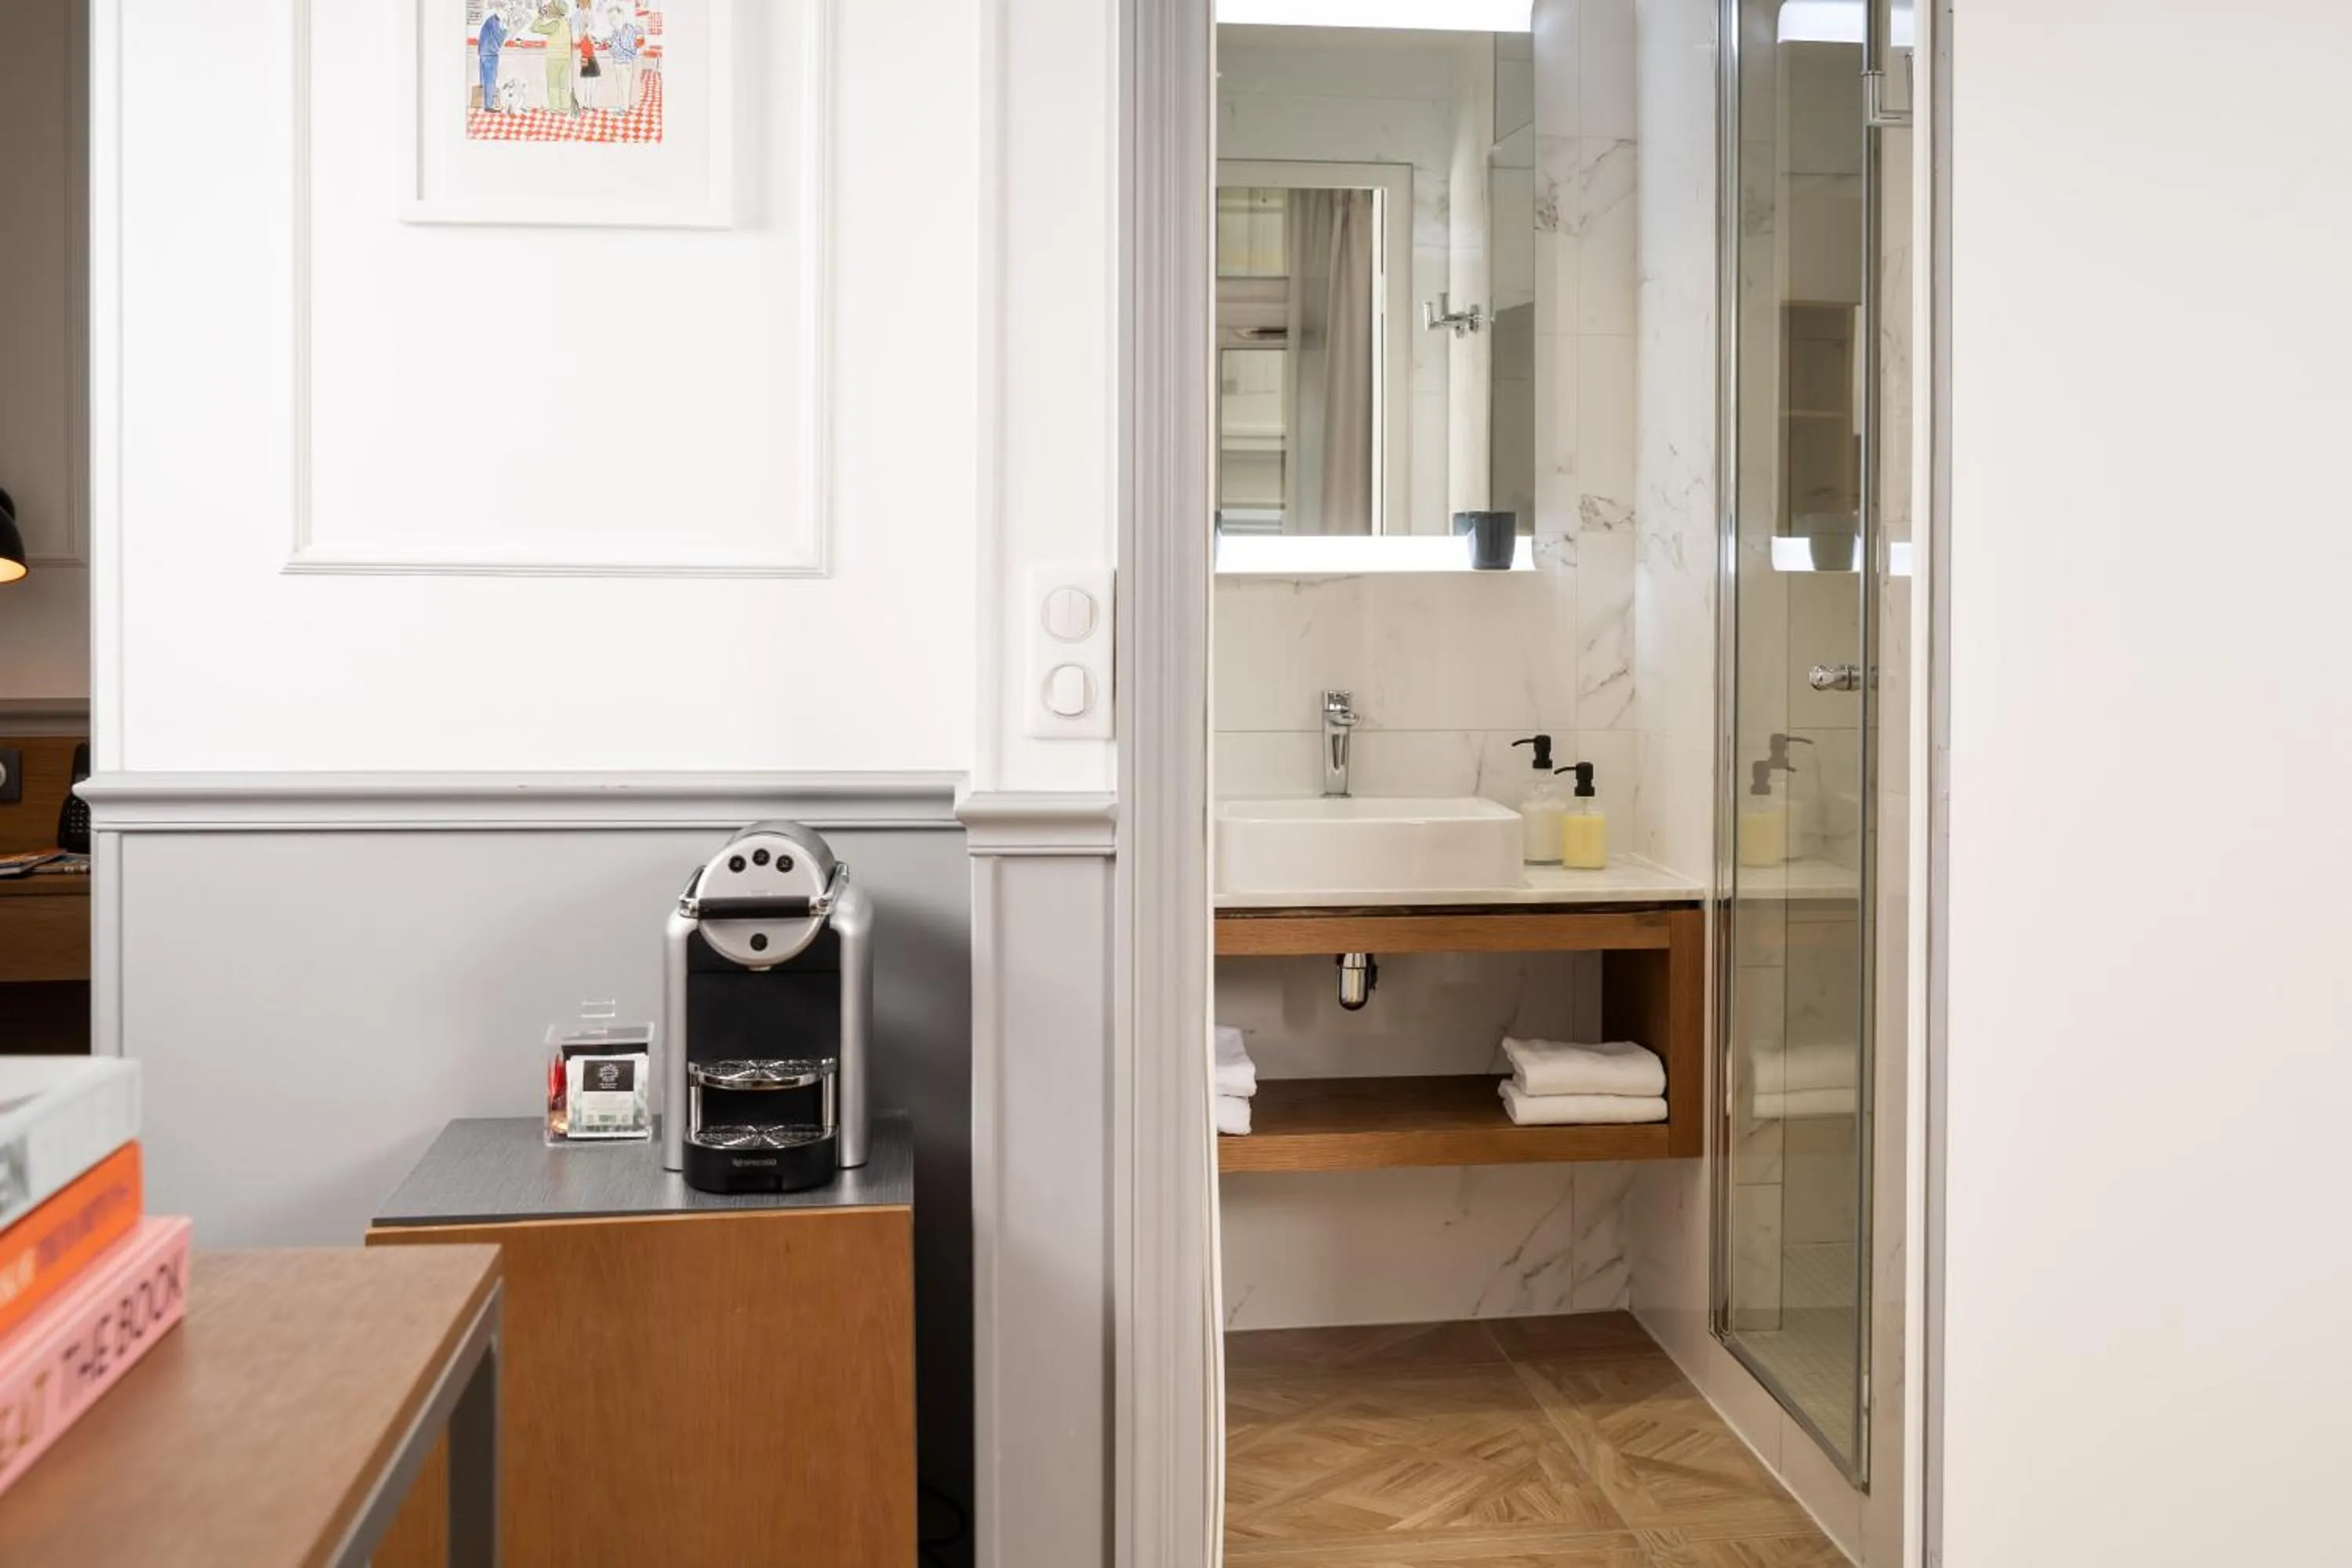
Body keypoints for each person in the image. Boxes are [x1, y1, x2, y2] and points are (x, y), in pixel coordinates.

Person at [528, 2, 574, 114]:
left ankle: (555, 108)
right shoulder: (565, 23)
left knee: (553, 84)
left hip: (554, 58)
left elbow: (534, 28)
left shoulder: (555, 24)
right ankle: (565, 107)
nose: (547, 9)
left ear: (556, 11)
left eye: (550, 7)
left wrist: (540, 17)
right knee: (563, 84)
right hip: (565, 58)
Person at [604, 5, 643, 114]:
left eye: (614, 18)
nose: (612, 21)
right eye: (610, 19)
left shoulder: (629, 30)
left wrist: (613, 45)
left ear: (622, 16)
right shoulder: (614, 33)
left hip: (626, 63)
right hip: (618, 62)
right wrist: (609, 46)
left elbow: (629, 49)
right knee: (620, 87)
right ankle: (621, 107)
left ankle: (625, 109)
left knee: (625, 87)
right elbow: (614, 52)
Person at [476, 5, 507, 114]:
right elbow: (499, 40)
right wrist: (506, 31)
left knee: (485, 80)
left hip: (484, 53)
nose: (507, 13)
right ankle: (489, 106)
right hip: (490, 54)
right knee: (490, 80)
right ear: (500, 10)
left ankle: (487, 105)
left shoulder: (490, 21)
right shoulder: (494, 22)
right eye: (506, 10)